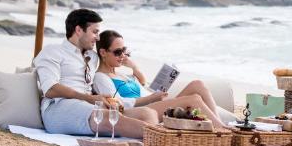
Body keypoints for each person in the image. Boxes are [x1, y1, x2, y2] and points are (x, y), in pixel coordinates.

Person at [33, 9, 156, 139]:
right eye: (95, 32)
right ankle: (160, 138)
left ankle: (152, 141)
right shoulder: (53, 51)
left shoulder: (92, 57)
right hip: (58, 108)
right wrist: (88, 98)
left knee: (146, 113)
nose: (98, 38)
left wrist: (104, 98)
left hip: (88, 107)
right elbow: (50, 89)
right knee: (107, 117)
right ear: (78, 30)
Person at [92, 29, 229, 130]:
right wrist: (151, 98)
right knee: (194, 99)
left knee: (197, 85)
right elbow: (118, 104)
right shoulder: (100, 77)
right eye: (118, 52)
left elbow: (142, 85)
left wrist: (134, 67)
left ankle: (220, 125)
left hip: (155, 103)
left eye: (124, 50)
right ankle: (222, 131)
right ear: (103, 52)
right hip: (142, 112)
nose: (122, 55)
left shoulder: (121, 74)